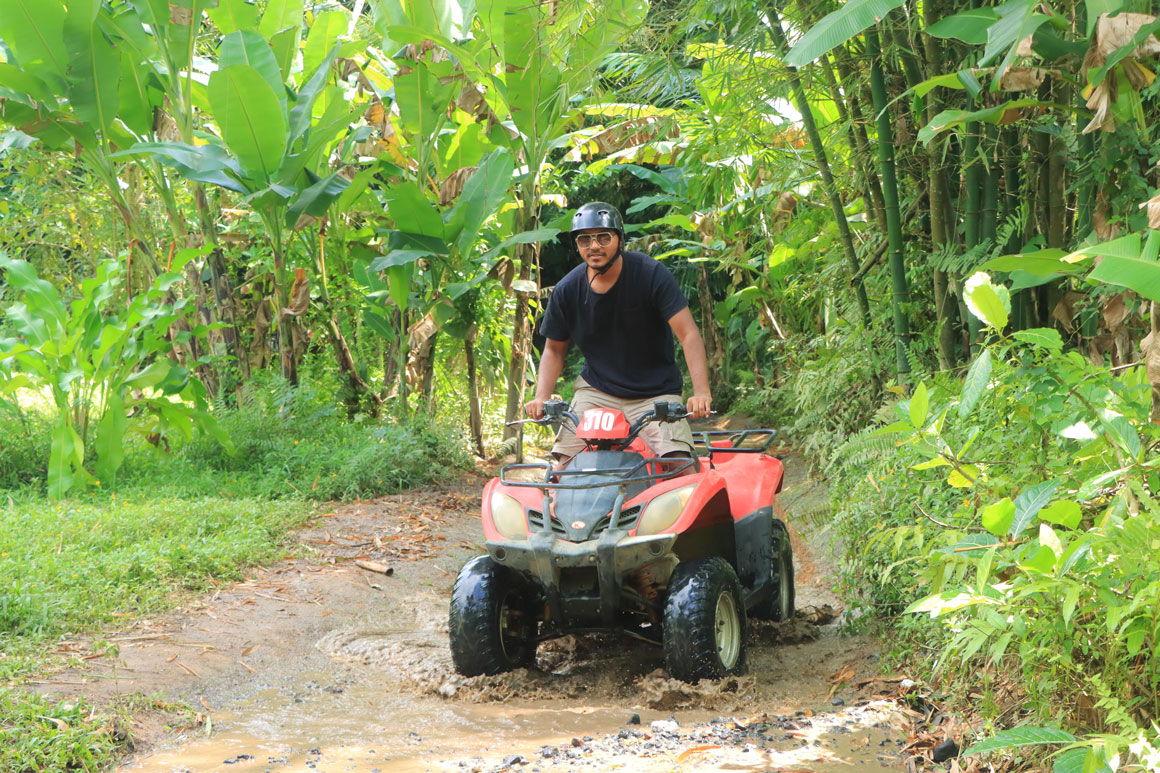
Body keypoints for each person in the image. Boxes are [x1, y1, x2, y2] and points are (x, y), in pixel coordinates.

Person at [525, 201, 712, 464]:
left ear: (619, 240)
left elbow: (689, 334)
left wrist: (701, 392)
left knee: (678, 464)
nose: (594, 246)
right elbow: (554, 349)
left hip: (655, 392)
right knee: (565, 465)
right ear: (577, 245)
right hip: (597, 391)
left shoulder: (651, 275)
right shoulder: (567, 289)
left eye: (603, 237)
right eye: (584, 240)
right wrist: (541, 397)